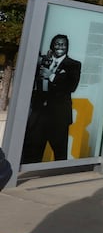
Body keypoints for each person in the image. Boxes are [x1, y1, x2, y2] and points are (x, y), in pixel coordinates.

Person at [22, 34, 82, 163]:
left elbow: (71, 87)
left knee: (59, 153)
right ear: (52, 46)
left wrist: (52, 76)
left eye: (63, 44)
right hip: (39, 115)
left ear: (67, 47)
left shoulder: (74, 65)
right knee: (32, 151)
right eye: (57, 44)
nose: (60, 47)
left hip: (59, 116)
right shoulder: (43, 61)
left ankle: (59, 177)